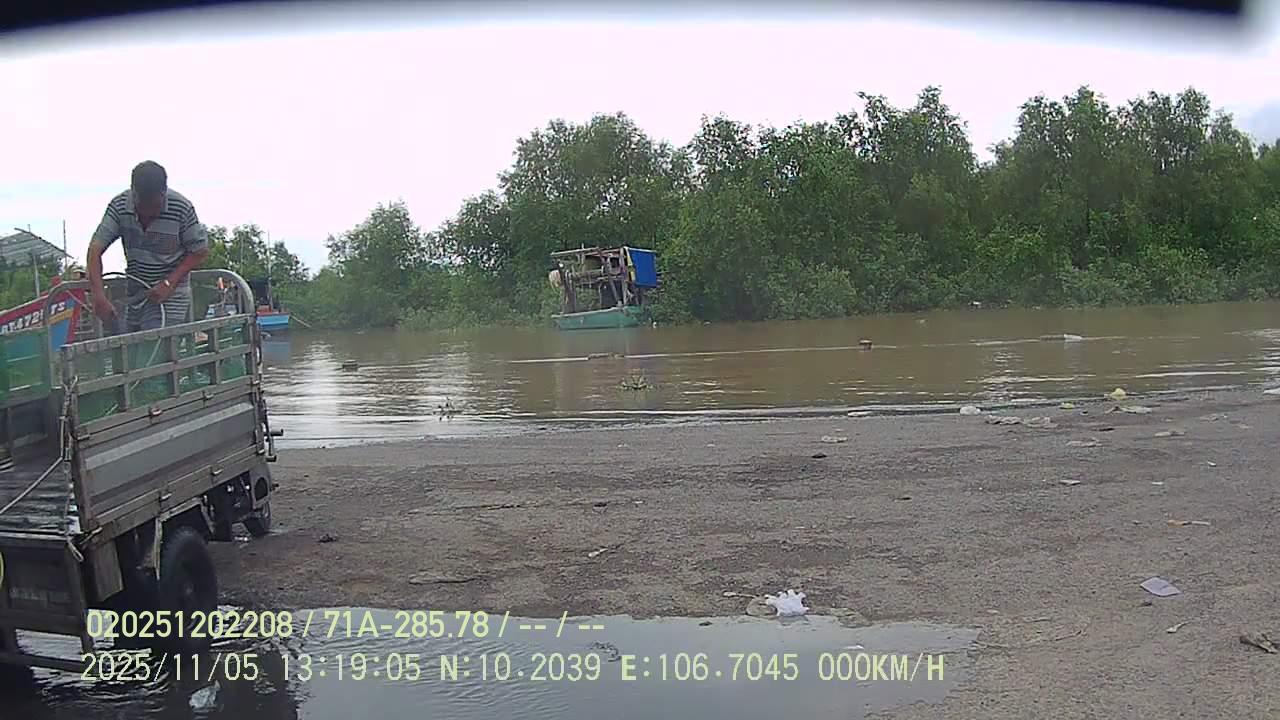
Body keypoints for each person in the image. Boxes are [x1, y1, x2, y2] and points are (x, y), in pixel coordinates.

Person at [87, 161, 209, 331]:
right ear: (133, 192)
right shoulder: (120, 206)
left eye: (155, 207)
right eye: (142, 207)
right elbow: (95, 250)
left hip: (170, 297)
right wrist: (99, 295)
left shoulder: (181, 208)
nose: (148, 213)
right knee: (131, 343)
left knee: (154, 342)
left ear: (163, 193)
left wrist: (169, 282)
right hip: (136, 294)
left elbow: (200, 251)